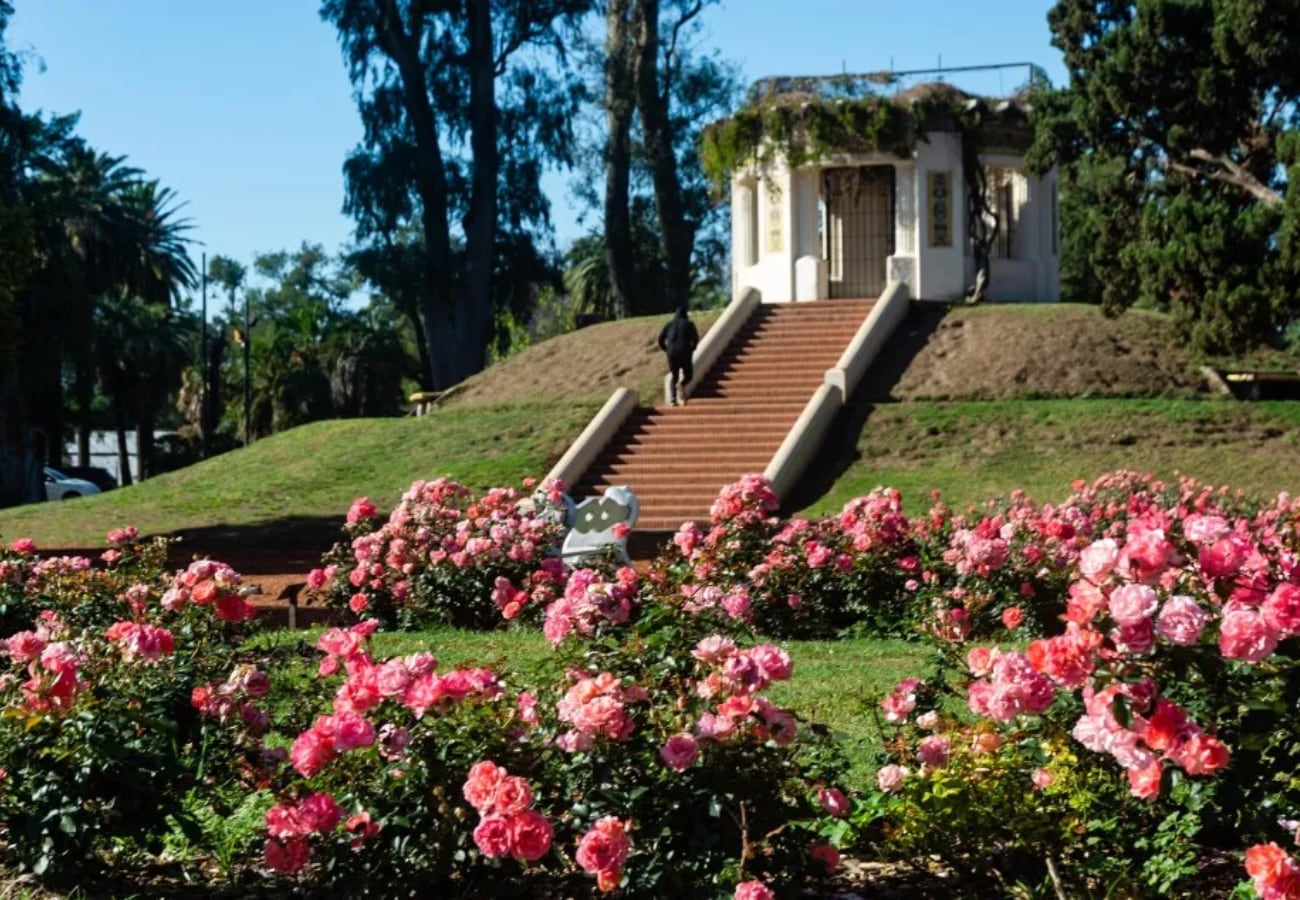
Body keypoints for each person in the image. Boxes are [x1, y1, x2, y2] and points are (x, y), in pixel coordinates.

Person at [658, 304, 699, 406]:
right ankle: (682, 384)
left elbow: (660, 339)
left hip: (671, 353)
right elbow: (695, 339)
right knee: (688, 375)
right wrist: (692, 349)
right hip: (685, 352)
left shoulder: (669, 324)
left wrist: (666, 349)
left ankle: (672, 399)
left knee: (674, 376)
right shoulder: (689, 324)